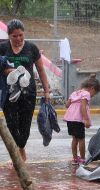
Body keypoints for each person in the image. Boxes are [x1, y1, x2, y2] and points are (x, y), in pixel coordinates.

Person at [0, 19, 50, 162]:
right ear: (9, 35)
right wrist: (9, 71)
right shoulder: (2, 48)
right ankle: (18, 151)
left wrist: (46, 91)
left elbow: (41, 70)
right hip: (8, 94)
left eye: (21, 35)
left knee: (25, 126)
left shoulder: (32, 48)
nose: (18, 39)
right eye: (14, 36)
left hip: (28, 93)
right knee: (11, 124)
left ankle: (21, 147)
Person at [63, 74, 100, 165]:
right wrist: (87, 119)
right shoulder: (86, 94)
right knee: (81, 139)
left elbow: (67, 105)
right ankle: (83, 159)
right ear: (92, 88)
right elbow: (83, 107)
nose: (93, 96)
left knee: (74, 139)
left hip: (70, 119)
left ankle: (75, 158)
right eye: (95, 93)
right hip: (78, 120)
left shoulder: (74, 93)